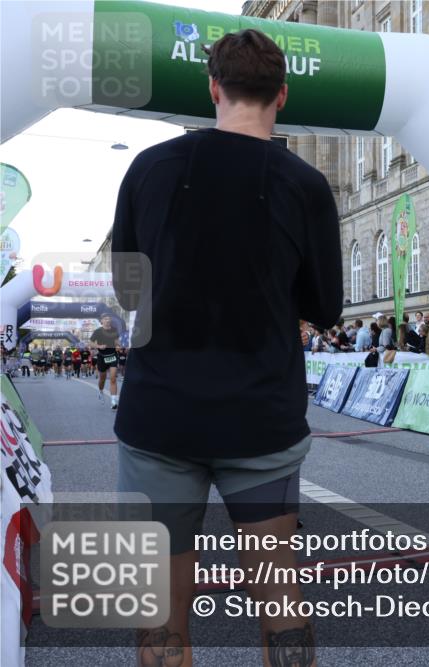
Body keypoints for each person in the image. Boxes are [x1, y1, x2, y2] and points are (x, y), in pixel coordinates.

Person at [111, 29, 341, 666]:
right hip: (260, 419)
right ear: (282, 96)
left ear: (212, 88)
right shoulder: (306, 184)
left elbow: (129, 291)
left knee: (160, 620)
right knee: (280, 601)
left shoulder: (149, 168)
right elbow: (325, 309)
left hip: (160, 416)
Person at [90, 314, 121, 408]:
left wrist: (118, 346)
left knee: (113, 378)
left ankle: (113, 402)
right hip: (102, 357)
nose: (108, 320)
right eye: (105, 319)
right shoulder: (97, 331)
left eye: (109, 319)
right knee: (102, 379)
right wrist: (99, 346)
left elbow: (116, 341)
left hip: (113, 356)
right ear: (101, 321)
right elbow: (91, 343)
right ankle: (100, 391)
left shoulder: (114, 330)